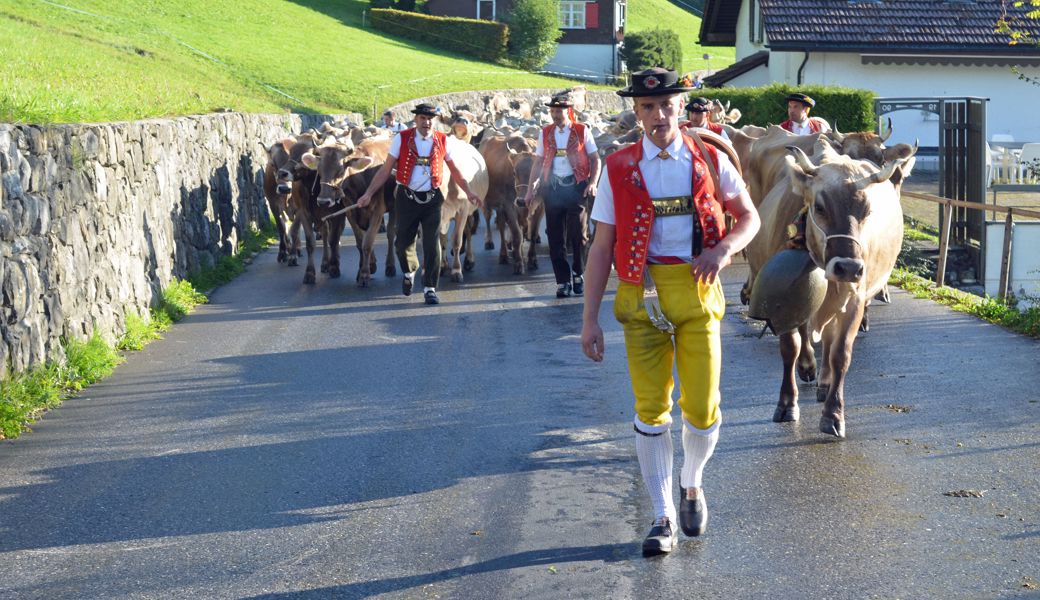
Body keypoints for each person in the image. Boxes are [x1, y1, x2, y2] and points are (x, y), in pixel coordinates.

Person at [580, 68, 760, 556]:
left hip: (698, 291)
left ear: (681, 107)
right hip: (640, 296)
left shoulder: (708, 158)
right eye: (647, 108)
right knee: (650, 410)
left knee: (701, 409)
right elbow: (602, 248)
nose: (658, 115)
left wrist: (722, 253)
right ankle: (661, 515)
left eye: (666, 106)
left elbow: (749, 218)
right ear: (636, 113)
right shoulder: (617, 167)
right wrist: (589, 318)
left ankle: (692, 480)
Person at [356, 103, 482, 306]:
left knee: (432, 244)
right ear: (416, 120)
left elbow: (455, 170)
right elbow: (385, 170)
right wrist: (368, 193)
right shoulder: (402, 138)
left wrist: (469, 192)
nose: (427, 122)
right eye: (423, 118)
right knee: (402, 243)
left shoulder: (443, 141)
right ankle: (409, 271)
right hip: (407, 197)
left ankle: (430, 288)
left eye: (430, 118)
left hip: (433, 198)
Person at [522, 91, 601, 298]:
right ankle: (562, 281)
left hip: (576, 187)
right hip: (553, 188)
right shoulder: (545, 132)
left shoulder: (582, 130)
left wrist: (592, 183)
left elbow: (595, 158)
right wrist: (530, 190)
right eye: (553, 111)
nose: (556, 115)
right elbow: (538, 161)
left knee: (579, 236)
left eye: (560, 111)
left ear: (569, 111)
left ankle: (578, 273)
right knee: (555, 237)